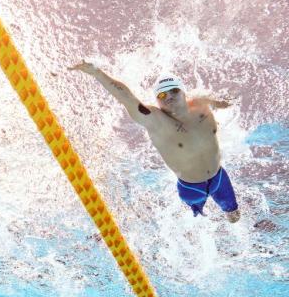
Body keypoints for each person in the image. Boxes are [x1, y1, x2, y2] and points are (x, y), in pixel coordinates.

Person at [69, 62, 240, 222]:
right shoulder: (155, 120)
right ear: (157, 100)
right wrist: (97, 73)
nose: (169, 97)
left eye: (173, 90)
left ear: (183, 91)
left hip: (219, 178)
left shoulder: (202, 104)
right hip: (191, 189)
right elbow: (126, 97)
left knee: (234, 217)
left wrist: (230, 100)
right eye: (162, 94)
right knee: (199, 223)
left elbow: (227, 101)